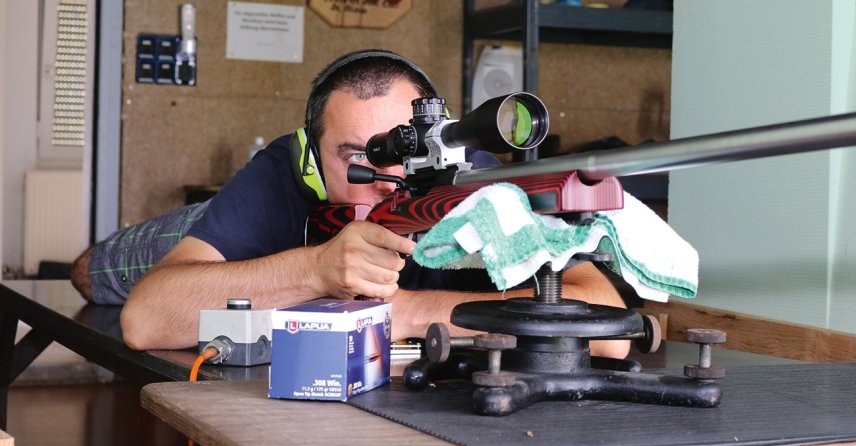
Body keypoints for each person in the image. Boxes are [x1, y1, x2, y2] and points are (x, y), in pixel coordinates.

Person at [71, 49, 629, 356]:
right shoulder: (279, 175)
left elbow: (606, 330)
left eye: (402, 154)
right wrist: (317, 269)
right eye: (359, 157)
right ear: (313, 160)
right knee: (92, 274)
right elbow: (144, 320)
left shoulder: (476, 186)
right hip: (225, 237)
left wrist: (406, 313)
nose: (387, 179)